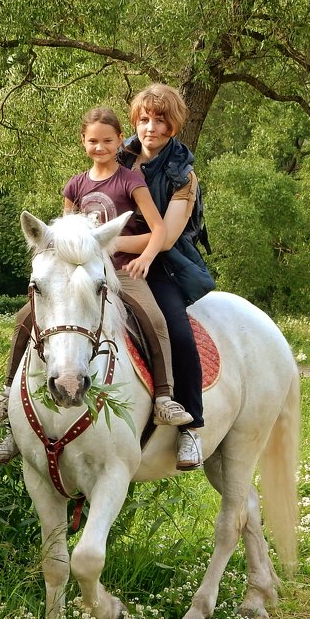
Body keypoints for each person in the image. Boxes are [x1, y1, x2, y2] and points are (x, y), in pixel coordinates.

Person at [0, 106, 194, 463]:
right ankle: (8, 402)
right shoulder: (75, 184)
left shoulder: (130, 180)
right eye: (93, 141)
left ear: (118, 140)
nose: (100, 147)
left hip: (122, 271)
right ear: (83, 141)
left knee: (154, 319)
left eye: (108, 141)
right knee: (24, 318)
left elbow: (158, 229)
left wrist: (144, 259)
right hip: (77, 272)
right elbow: (64, 235)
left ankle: (163, 398)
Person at [115, 84, 210, 470]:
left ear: (173, 126)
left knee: (177, 331)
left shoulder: (184, 175)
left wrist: (107, 242)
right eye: (144, 119)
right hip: (109, 256)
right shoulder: (117, 154)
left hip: (162, 263)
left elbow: (166, 236)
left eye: (160, 121)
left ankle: (192, 428)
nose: (150, 128)